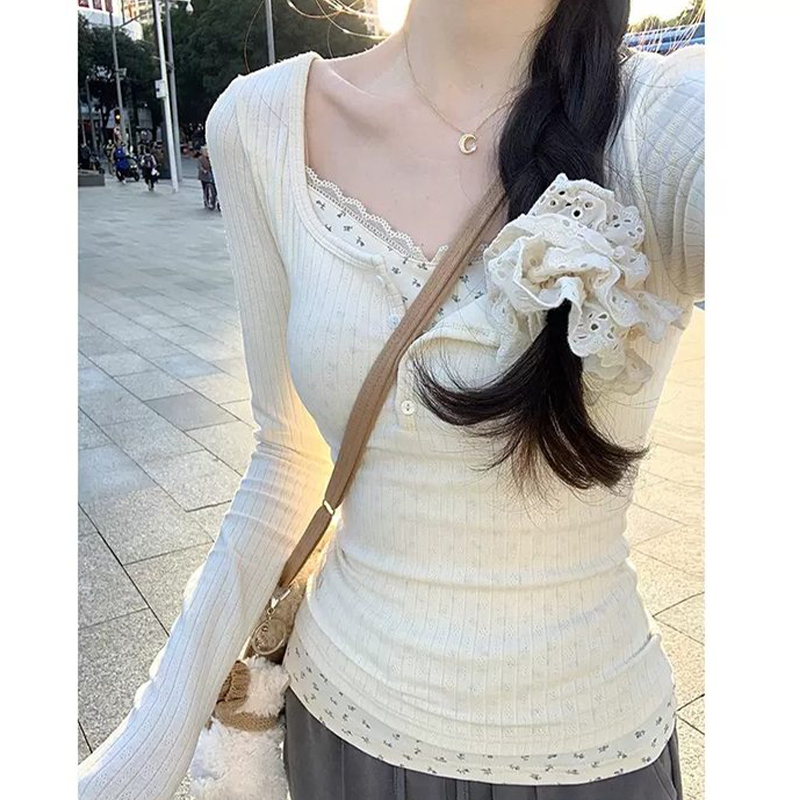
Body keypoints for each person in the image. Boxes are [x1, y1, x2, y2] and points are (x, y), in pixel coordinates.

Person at [78, 1, 704, 798]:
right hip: (341, 735)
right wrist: (142, 757)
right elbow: (287, 459)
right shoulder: (263, 123)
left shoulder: (663, 119)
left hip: (591, 755)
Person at [197, 145, 218, 210]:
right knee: (205, 188)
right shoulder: (200, 159)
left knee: (214, 188)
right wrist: (203, 170)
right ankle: (206, 199)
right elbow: (199, 166)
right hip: (204, 176)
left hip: (210, 174)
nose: (207, 153)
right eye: (205, 151)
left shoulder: (211, 158)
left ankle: (213, 201)